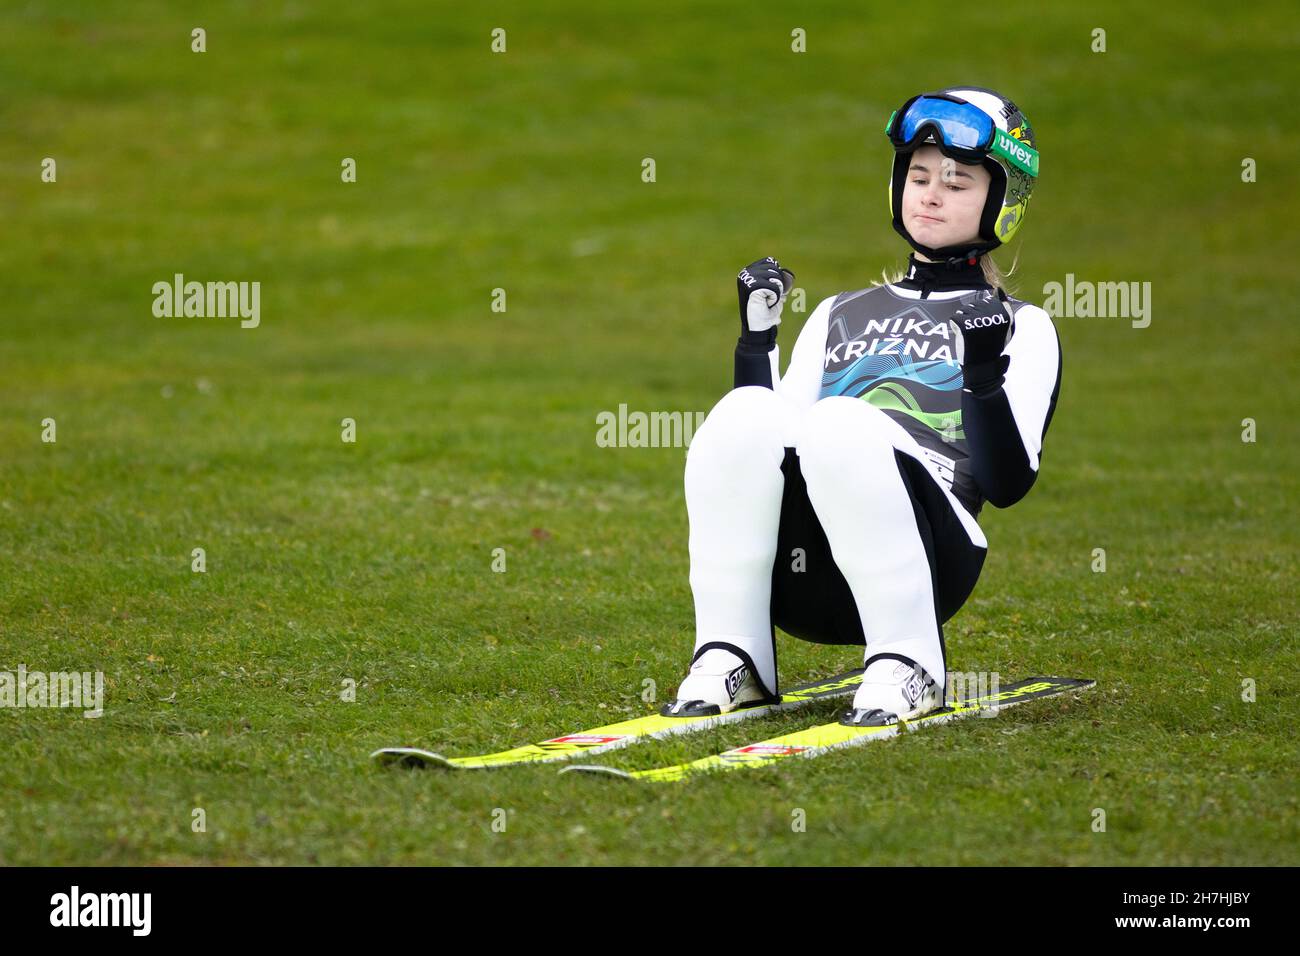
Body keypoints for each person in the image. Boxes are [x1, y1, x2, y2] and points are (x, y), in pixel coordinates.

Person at [666, 87, 1062, 727]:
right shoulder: (838, 311)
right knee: (736, 417)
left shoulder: (1024, 326)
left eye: (957, 184)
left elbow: (1008, 484)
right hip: (809, 574)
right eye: (919, 176)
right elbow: (767, 439)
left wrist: (985, 374)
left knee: (842, 423)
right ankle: (733, 651)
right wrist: (755, 342)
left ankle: (911, 663)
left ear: (1002, 201)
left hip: (929, 558)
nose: (931, 194)